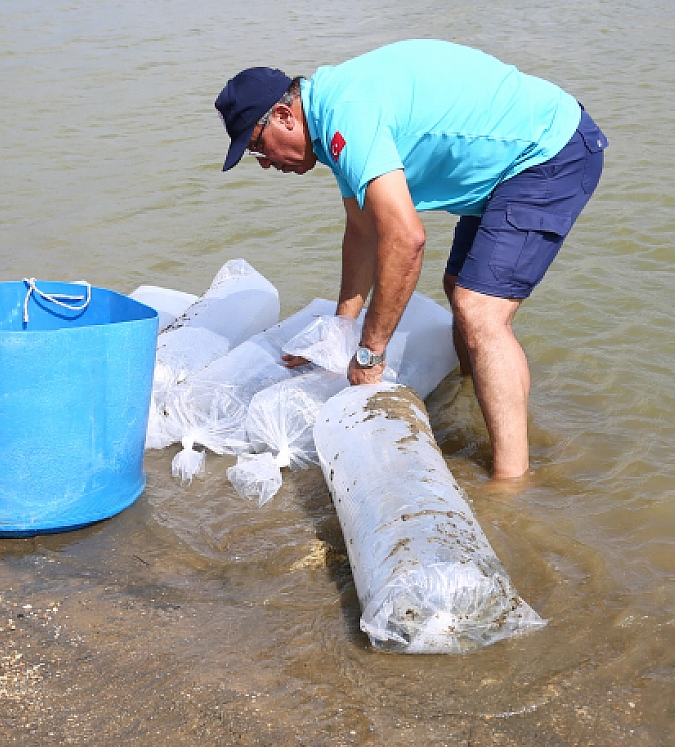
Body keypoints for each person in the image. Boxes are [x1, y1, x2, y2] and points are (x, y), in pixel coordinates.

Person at [214, 39, 607, 479]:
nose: (264, 163)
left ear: (284, 116)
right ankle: (474, 397)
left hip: (548, 151)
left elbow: (406, 240)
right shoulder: (330, 119)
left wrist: (370, 354)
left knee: (480, 311)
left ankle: (511, 485)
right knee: (459, 287)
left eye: (257, 147)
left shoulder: (347, 119)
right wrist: (340, 330)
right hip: (505, 164)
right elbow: (362, 231)